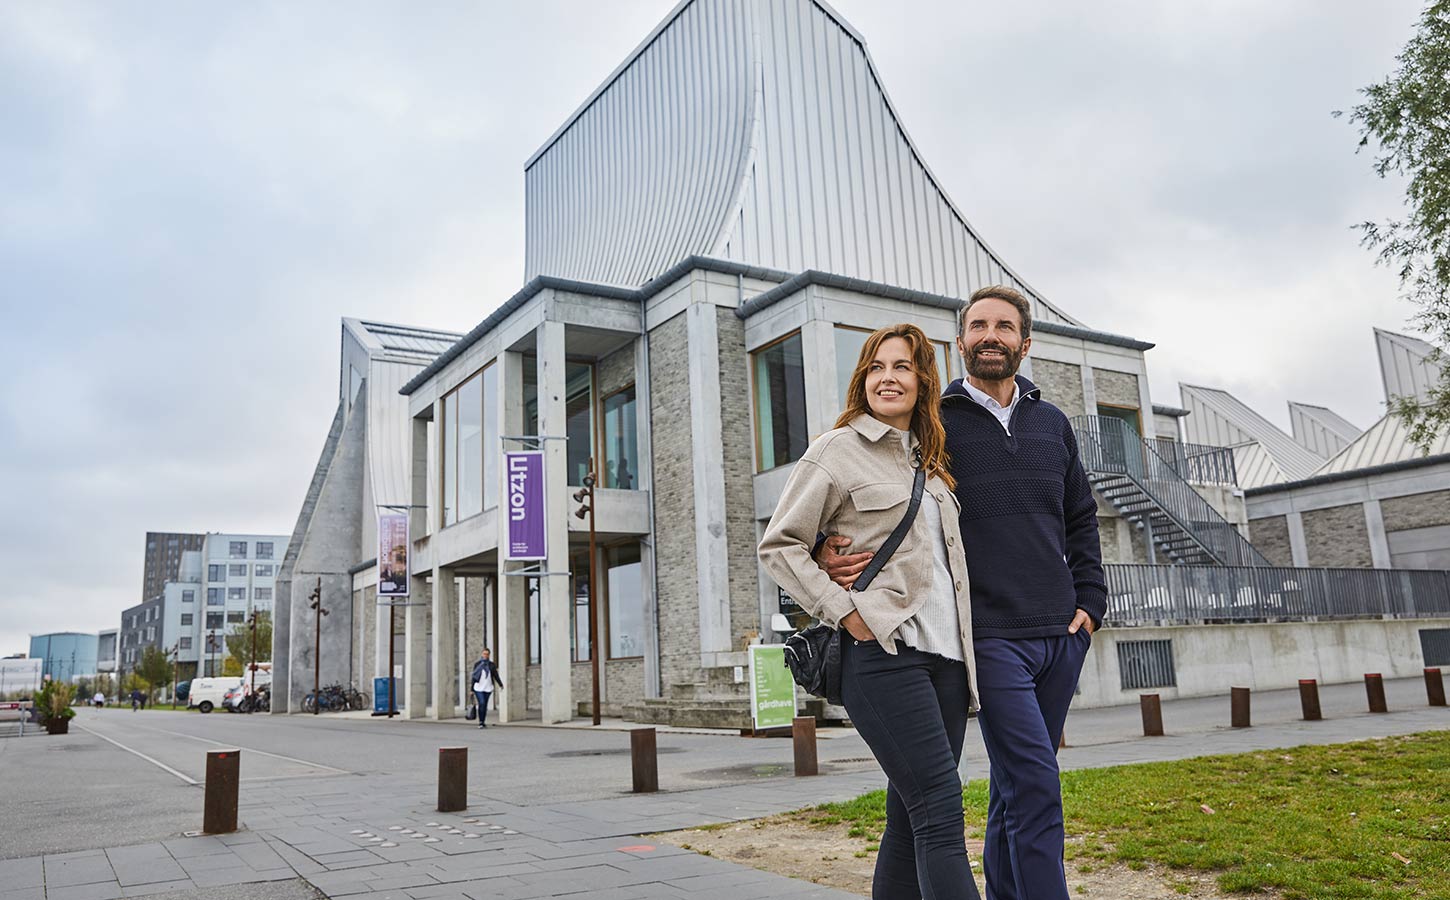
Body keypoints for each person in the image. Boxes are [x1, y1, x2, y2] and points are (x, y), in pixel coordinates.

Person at [822, 285, 1107, 900]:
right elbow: (867, 483)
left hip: (1060, 632)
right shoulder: (936, 424)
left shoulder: (1052, 423)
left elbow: (1081, 518)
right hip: (986, 636)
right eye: (978, 325)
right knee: (1033, 782)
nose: (990, 336)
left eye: (1004, 327)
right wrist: (829, 548)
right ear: (960, 343)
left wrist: (1090, 603)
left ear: (1024, 343)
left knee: (1013, 788)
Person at [760, 323, 980, 900]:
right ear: (863, 379)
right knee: (940, 810)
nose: (888, 377)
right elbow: (780, 544)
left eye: (902, 366)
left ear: (923, 379)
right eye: (877, 367)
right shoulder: (837, 450)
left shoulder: (931, 465)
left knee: (911, 817)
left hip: (948, 662)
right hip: (883, 654)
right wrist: (844, 611)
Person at [470, 648, 503, 728]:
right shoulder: (477, 664)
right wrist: (471, 689)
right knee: (481, 703)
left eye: (487, 654)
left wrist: (500, 684)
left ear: (489, 655)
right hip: (478, 688)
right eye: (484, 654)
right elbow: (474, 677)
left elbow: (495, 675)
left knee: (484, 705)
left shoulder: (491, 665)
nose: (485, 655)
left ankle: (483, 721)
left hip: (488, 688)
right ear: (482, 654)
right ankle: (481, 722)